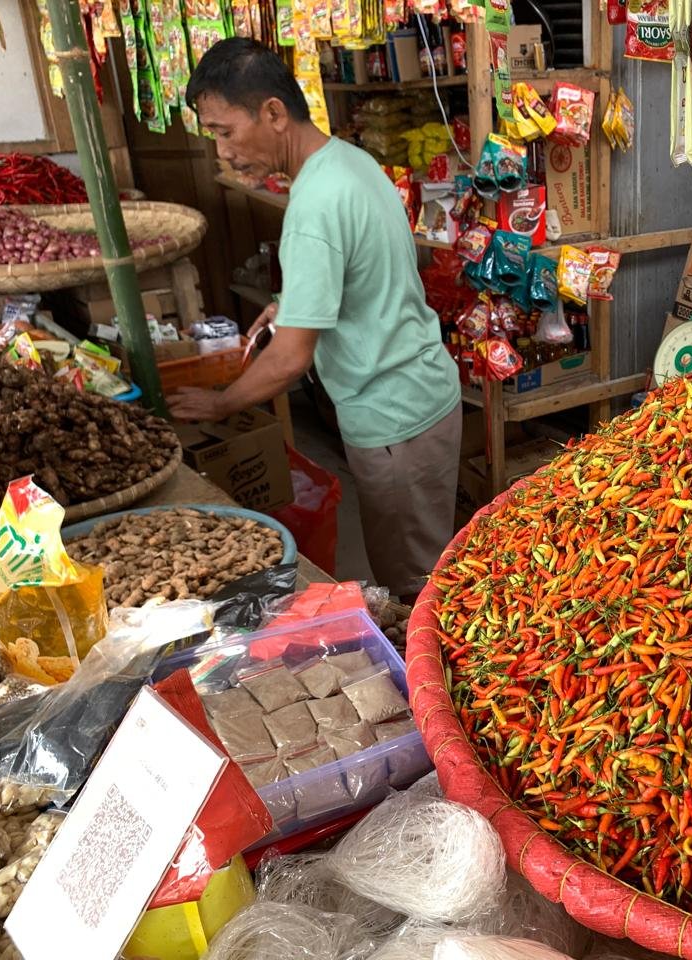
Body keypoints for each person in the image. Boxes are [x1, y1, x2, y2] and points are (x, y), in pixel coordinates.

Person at [170, 37, 462, 603]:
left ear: (274, 113)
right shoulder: (350, 161)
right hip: (424, 397)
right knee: (431, 563)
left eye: (225, 131)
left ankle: (442, 687)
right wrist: (298, 303)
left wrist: (221, 402)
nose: (222, 152)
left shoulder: (312, 205)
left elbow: (289, 359)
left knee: (416, 590)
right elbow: (368, 272)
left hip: (394, 419)